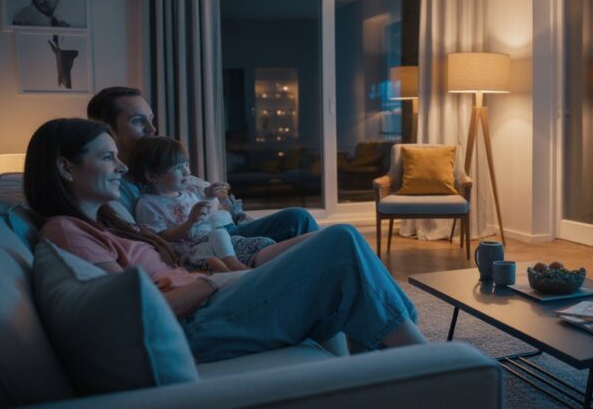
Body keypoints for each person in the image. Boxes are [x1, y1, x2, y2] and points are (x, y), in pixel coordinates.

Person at [24, 118, 425, 361]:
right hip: (200, 323)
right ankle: (428, 363)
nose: (122, 167)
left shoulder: (107, 221)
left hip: (211, 298)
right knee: (339, 244)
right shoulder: (67, 231)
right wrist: (218, 281)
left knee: (343, 246)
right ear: (66, 167)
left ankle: (390, 365)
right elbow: (132, 315)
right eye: (107, 157)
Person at [87, 87, 318, 244]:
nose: (152, 129)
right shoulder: (113, 189)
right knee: (305, 223)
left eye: (151, 119)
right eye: (138, 121)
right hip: (206, 245)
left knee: (301, 222)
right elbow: (148, 242)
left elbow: (224, 207)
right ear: (107, 128)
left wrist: (226, 206)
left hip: (225, 229)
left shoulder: (172, 172)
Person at [130, 136, 275, 272]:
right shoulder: (148, 204)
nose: (187, 171)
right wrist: (190, 222)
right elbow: (162, 237)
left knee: (265, 242)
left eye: (186, 164)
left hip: (216, 242)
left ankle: (224, 265)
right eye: (178, 168)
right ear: (152, 176)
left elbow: (206, 217)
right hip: (192, 251)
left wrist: (210, 196)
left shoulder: (188, 194)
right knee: (219, 234)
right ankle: (233, 266)